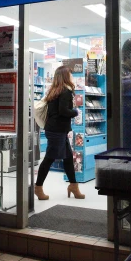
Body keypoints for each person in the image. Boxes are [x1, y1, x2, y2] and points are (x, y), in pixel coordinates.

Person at [34, 65, 84, 200]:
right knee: (49, 158)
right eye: (70, 74)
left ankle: (73, 186)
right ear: (65, 76)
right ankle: (38, 187)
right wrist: (76, 112)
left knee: (68, 158)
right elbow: (63, 111)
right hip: (57, 130)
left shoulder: (54, 91)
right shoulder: (65, 91)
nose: (72, 77)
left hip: (54, 129)